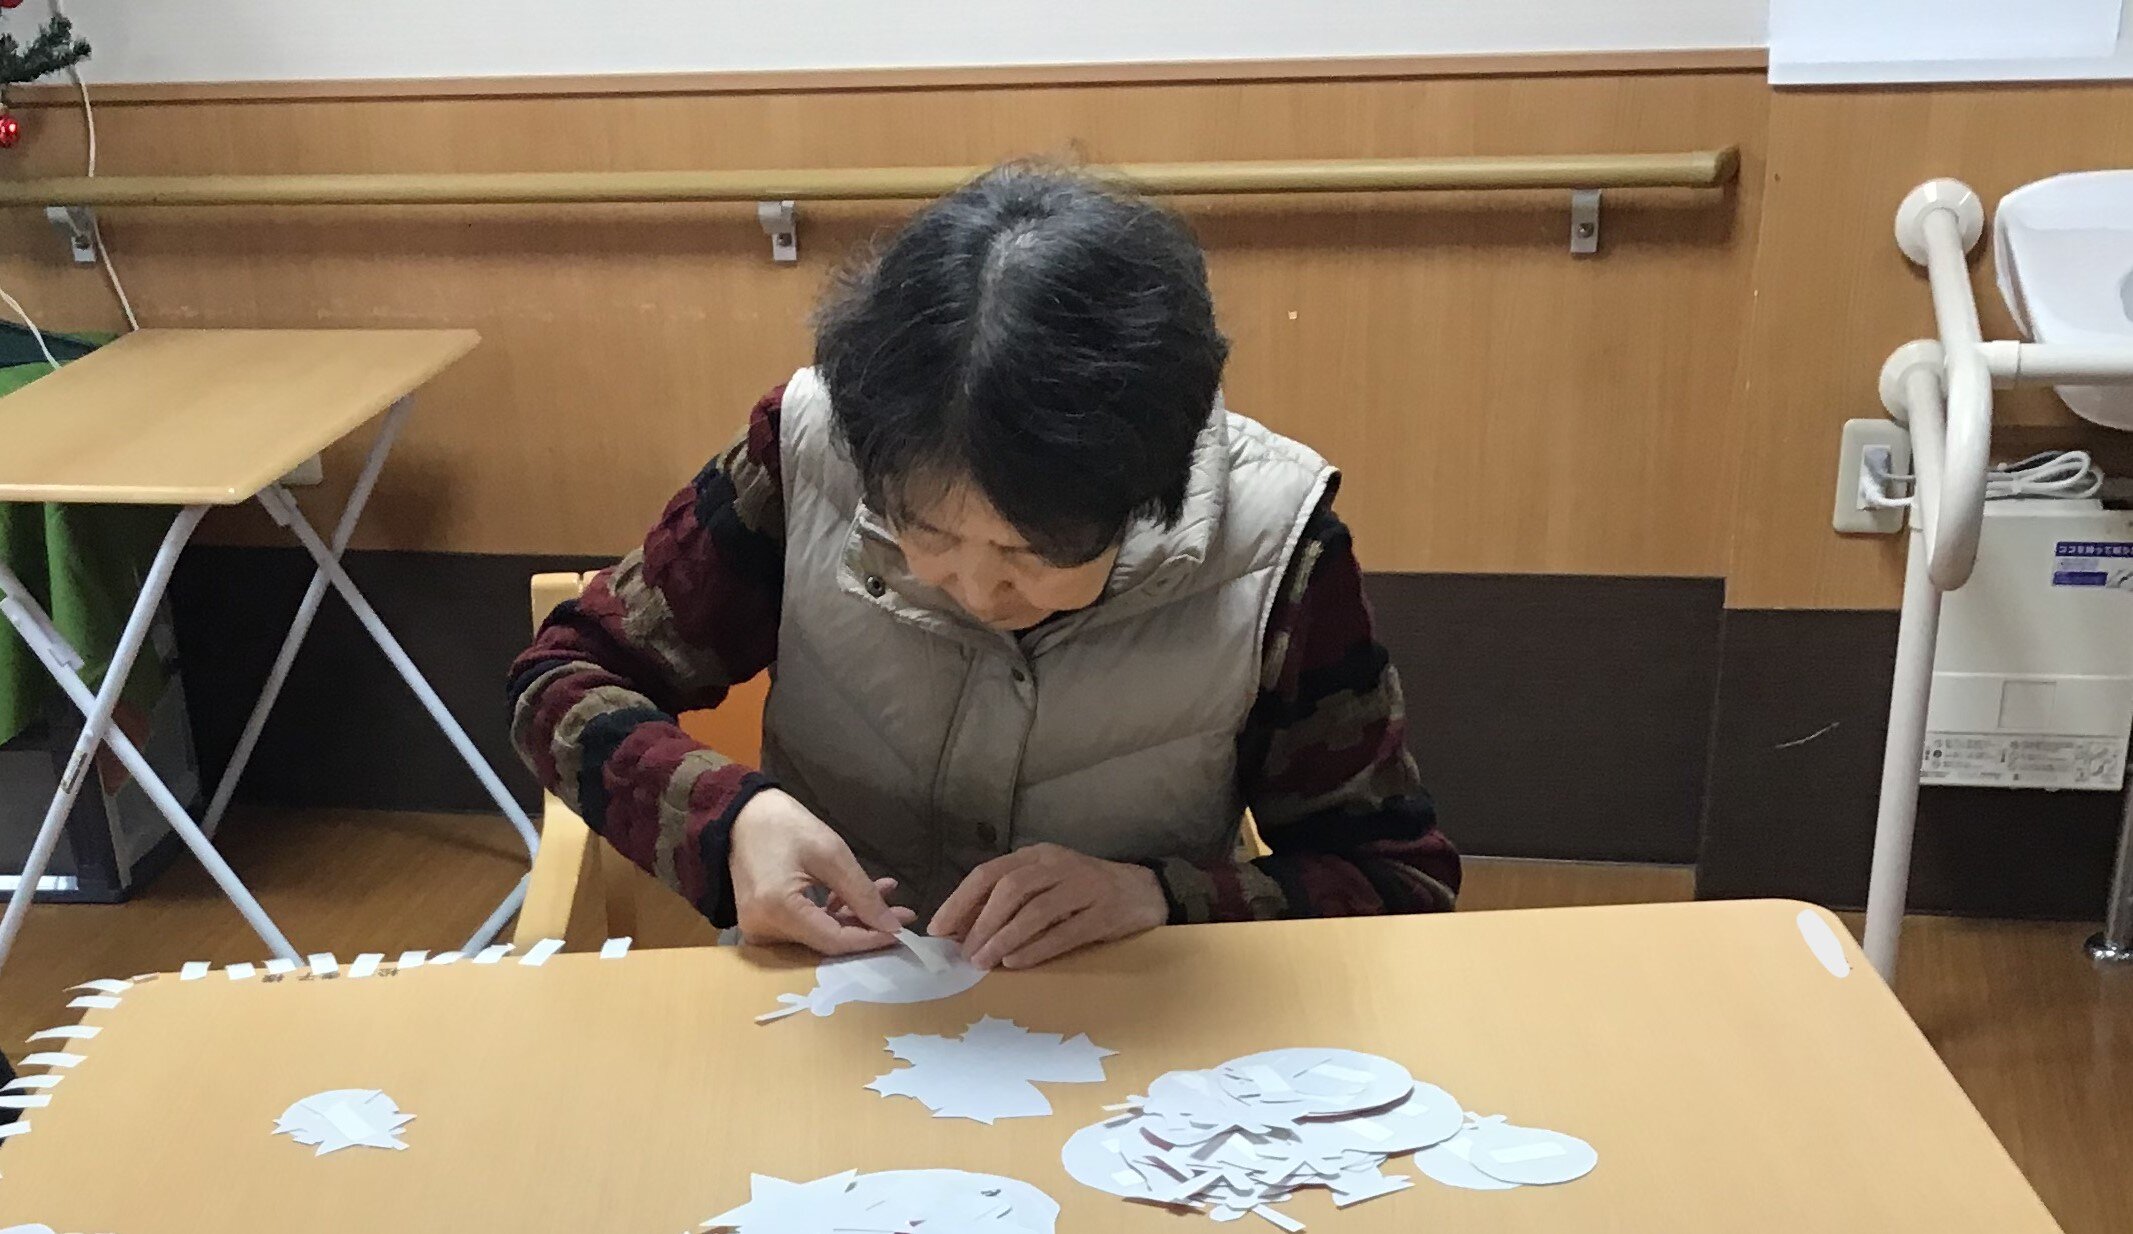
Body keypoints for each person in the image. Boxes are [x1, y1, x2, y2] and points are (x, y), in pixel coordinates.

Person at [508, 163, 1457, 971]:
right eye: (922, 532)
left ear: (1145, 492)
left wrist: (1160, 896)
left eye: (1031, 554)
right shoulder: (807, 451)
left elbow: (1394, 876)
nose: (971, 588)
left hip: (1131, 1027)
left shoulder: (1276, 543)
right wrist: (731, 821)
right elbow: (562, 680)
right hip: (834, 1005)